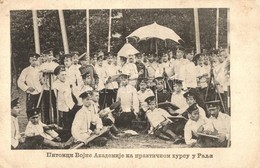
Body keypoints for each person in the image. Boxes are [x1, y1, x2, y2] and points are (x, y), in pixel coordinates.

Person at [17, 53, 42, 118]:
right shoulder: (26, 70)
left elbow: (40, 80)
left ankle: (38, 122)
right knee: (30, 108)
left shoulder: (39, 70)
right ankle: (30, 122)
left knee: (39, 108)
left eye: (35, 60)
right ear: (29, 60)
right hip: (31, 93)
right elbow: (20, 82)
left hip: (39, 91)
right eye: (32, 60)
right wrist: (27, 88)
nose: (34, 62)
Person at [39, 49, 59, 124]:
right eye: (49, 55)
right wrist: (43, 79)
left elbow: (58, 74)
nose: (50, 57)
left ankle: (56, 120)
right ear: (46, 56)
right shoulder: (42, 65)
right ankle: (46, 120)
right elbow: (40, 77)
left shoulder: (56, 65)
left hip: (54, 87)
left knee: (55, 104)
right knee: (46, 105)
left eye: (51, 55)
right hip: (46, 87)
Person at [52, 65, 75, 130]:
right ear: (57, 76)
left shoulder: (68, 82)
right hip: (62, 106)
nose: (64, 76)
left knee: (72, 120)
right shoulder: (56, 84)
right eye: (62, 75)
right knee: (65, 122)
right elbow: (56, 97)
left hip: (70, 104)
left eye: (65, 74)